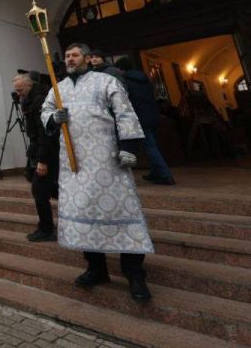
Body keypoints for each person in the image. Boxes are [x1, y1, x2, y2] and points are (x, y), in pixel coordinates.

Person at [41, 43, 154, 302]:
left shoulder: (106, 81)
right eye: (67, 55)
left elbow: (125, 113)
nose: (70, 59)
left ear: (88, 58)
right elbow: (44, 111)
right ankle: (96, 268)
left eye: (75, 55)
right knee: (85, 211)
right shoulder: (58, 88)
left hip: (107, 160)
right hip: (74, 164)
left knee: (121, 211)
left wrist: (128, 146)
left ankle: (135, 273)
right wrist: (52, 118)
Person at [114, 57, 175, 186]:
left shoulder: (126, 81)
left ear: (120, 69)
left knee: (149, 145)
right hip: (152, 114)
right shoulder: (143, 78)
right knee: (152, 144)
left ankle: (165, 175)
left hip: (141, 115)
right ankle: (155, 172)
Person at [13, 73, 58, 243]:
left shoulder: (39, 101)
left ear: (29, 86)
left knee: (39, 190)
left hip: (45, 151)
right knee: (41, 186)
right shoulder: (29, 100)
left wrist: (42, 160)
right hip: (38, 150)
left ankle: (46, 228)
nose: (18, 94)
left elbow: (44, 132)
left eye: (20, 90)